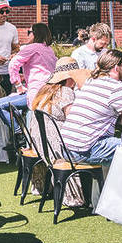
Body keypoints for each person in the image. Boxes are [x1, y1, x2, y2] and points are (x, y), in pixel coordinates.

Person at [27, 57, 90, 204]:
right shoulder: (66, 92)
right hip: (57, 146)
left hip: (40, 143)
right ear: (71, 77)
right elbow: (73, 121)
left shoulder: (45, 90)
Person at [60, 49, 122, 165]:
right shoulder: (116, 87)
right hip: (84, 150)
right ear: (117, 68)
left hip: (66, 148)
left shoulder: (90, 82)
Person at [0, 23, 57, 135]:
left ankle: (19, 133)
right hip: (49, 92)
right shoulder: (49, 50)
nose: (27, 35)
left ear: (35, 34)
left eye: (29, 32)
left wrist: (18, 85)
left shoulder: (31, 48)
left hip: (35, 93)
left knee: (0, 104)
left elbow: (13, 65)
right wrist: (25, 77)